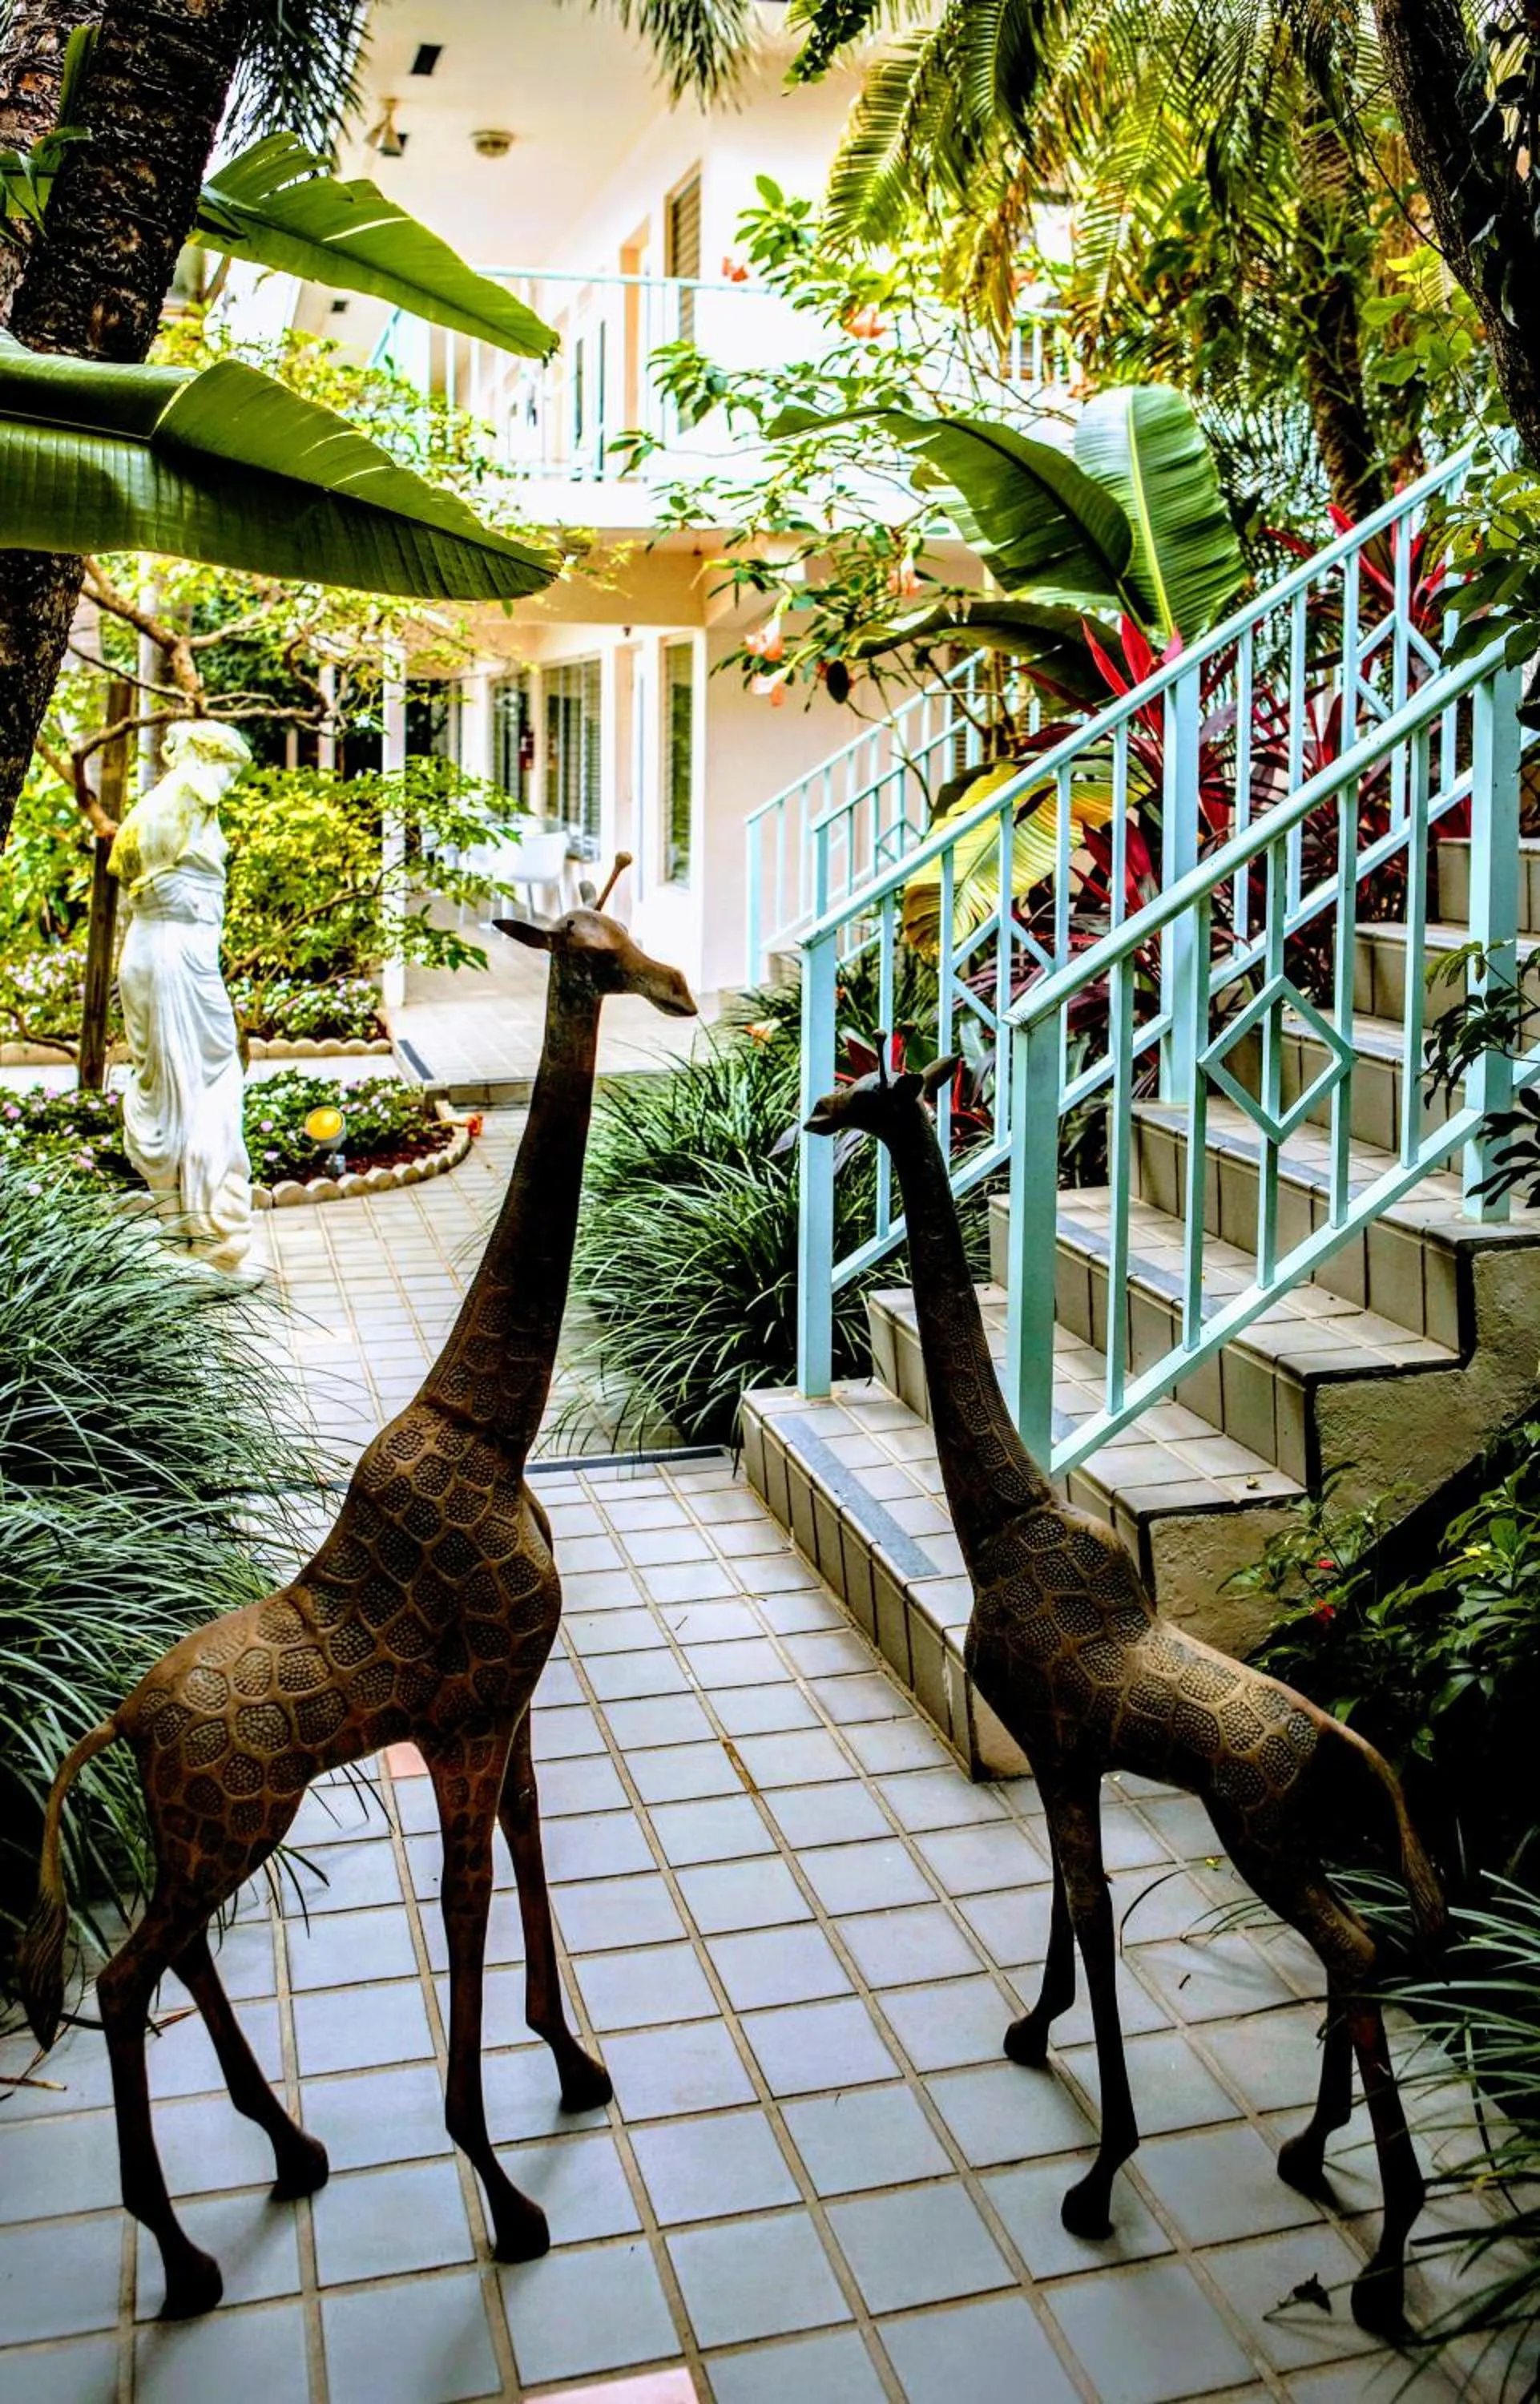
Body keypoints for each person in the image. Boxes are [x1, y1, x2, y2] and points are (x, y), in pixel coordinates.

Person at [108, 720, 256, 1276]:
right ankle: (214, 1227)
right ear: (210, 763)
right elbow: (172, 890)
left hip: (148, 955)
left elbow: (139, 880)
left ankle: (181, 1229)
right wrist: (195, 909)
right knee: (210, 1083)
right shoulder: (192, 794)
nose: (229, 784)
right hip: (179, 962)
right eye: (230, 771)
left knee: (164, 1091)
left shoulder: (151, 810)